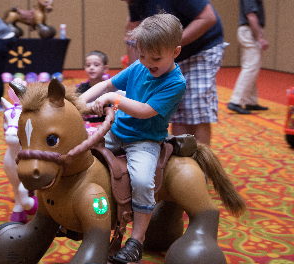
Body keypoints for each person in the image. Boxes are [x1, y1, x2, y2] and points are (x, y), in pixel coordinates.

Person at [80, 13, 186, 264]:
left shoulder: (176, 82)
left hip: (144, 141)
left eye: (156, 58)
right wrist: (77, 103)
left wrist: (114, 99)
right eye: (142, 56)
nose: (147, 63)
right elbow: (105, 85)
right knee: (83, 156)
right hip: (116, 131)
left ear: (176, 52)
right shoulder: (140, 66)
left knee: (141, 181)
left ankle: (136, 240)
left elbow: (144, 110)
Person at [123, 0, 227, 146]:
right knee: (176, 105)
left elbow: (207, 18)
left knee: (196, 106)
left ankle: (203, 165)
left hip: (202, 47)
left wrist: (167, 48)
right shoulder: (134, 1)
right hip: (171, 52)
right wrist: (136, 74)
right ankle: (182, 160)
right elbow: (134, 34)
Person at [227, 0, 269, 115]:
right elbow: (250, 15)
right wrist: (260, 37)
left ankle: (251, 101)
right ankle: (236, 101)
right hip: (250, 31)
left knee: (252, 67)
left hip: (250, 30)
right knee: (251, 67)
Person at [77, 50, 110, 123]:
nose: (91, 68)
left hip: (104, 124)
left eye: (96, 65)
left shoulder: (109, 88)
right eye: (88, 65)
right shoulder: (81, 88)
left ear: (105, 68)